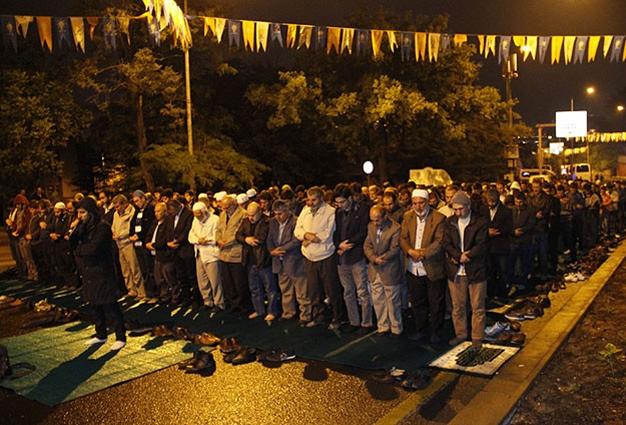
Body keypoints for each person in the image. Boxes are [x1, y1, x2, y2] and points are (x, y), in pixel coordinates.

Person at [70, 197, 126, 351]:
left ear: (90, 212)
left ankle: (120, 336)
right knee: (94, 304)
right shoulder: (83, 227)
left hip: (102, 270)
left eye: (83, 212)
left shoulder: (102, 227)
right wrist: (75, 230)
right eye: (78, 212)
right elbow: (73, 243)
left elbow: (93, 248)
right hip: (88, 271)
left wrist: (80, 250)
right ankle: (100, 334)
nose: (80, 216)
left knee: (110, 304)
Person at [294, 186, 345, 329]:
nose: (310, 202)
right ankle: (318, 317)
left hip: (326, 255)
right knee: (314, 290)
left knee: (332, 289)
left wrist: (308, 237)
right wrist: (305, 235)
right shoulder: (305, 210)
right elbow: (297, 230)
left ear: (321, 198)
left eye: (313, 199)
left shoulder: (330, 211)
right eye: (308, 199)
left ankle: (337, 317)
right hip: (309, 256)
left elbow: (326, 234)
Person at [400, 189, 447, 343]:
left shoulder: (439, 218)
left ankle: (436, 332)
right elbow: (403, 238)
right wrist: (410, 251)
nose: (418, 206)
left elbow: (439, 242)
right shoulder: (408, 217)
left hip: (432, 267)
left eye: (421, 203)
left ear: (427, 202)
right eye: (415, 203)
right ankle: (421, 330)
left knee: (436, 303)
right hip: (412, 268)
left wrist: (422, 254)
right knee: (417, 302)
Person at [443, 191, 488, 349]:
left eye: (460, 209)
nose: (458, 212)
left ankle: (477, 337)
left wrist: (468, 255)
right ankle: (461, 334)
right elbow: (446, 243)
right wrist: (457, 255)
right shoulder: (449, 223)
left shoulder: (480, 222)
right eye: (455, 209)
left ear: (468, 207)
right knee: (458, 306)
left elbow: (482, 244)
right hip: (456, 270)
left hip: (475, 269)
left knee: (477, 306)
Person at [333, 183, 373, 334]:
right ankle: (353, 321)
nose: (340, 205)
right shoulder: (338, 213)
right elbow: (335, 233)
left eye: (342, 202)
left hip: (356, 256)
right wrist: (339, 245)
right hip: (342, 257)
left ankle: (366, 322)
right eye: (337, 203)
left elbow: (364, 231)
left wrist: (349, 243)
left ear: (350, 198)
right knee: (348, 291)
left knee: (362, 291)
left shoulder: (362, 210)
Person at [267, 200, 309, 322]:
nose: (277, 217)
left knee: (302, 291)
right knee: (285, 290)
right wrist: (272, 251)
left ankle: (305, 315)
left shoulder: (296, 221)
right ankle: (288, 313)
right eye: (275, 214)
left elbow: (296, 240)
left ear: (287, 211)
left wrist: (282, 249)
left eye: (280, 214)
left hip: (295, 261)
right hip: (279, 261)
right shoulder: (273, 223)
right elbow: (269, 238)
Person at [364, 205, 403, 336]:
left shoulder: (395, 228)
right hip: (375, 268)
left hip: (389, 268)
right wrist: (374, 258)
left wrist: (383, 258)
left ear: (385, 216)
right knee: (378, 300)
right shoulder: (370, 226)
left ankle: (396, 327)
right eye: (372, 220)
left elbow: (395, 248)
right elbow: (367, 245)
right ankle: (383, 326)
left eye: (377, 220)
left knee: (393, 302)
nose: (375, 223)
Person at [236, 202, 279, 321]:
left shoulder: (267, 222)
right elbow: (238, 235)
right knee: (254, 288)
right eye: (249, 215)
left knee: (270, 288)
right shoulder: (245, 221)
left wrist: (248, 239)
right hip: (250, 261)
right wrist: (246, 239)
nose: (250, 218)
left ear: (260, 212)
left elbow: (260, 239)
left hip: (264, 260)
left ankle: (272, 311)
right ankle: (259, 310)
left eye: (253, 215)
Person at [216, 195, 250, 313]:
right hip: (223, 253)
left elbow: (239, 232)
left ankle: (241, 305)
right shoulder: (222, 215)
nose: (225, 210)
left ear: (234, 205)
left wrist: (226, 243)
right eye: (223, 208)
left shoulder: (243, 214)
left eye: (227, 207)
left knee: (239, 281)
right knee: (227, 281)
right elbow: (218, 230)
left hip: (236, 252)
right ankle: (232, 304)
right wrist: (219, 240)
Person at [188, 201, 224, 312]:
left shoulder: (215, 219)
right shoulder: (195, 220)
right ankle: (207, 301)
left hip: (211, 253)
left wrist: (206, 240)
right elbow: (191, 235)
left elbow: (218, 236)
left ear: (204, 211)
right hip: (199, 253)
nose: (198, 217)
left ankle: (219, 303)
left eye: (199, 214)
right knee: (202, 280)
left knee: (215, 281)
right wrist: (198, 240)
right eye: (196, 215)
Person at [111, 194, 145, 298]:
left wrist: (120, 234)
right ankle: (131, 289)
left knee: (134, 268)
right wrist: (114, 233)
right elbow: (113, 226)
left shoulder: (132, 212)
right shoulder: (116, 214)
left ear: (124, 204)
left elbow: (131, 227)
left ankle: (141, 291)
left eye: (117, 206)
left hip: (128, 243)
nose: (116, 209)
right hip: (119, 244)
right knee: (125, 269)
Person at [481, 189, 512, 298]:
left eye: (493, 202)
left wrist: (498, 232)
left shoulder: (506, 211)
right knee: (490, 271)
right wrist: (487, 232)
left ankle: (503, 293)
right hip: (488, 246)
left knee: (502, 271)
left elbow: (509, 227)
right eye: (489, 201)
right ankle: (491, 293)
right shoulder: (483, 210)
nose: (491, 204)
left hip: (501, 246)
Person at [166, 198, 197, 308]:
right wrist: (169, 242)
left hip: (186, 249)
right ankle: (186, 298)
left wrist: (178, 241)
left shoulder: (188, 214)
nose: (170, 213)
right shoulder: (171, 216)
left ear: (177, 206)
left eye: (171, 211)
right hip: (176, 251)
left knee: (191, 276)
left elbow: (188, 230)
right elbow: (169, 229)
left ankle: (196, 299)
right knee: (181, 276)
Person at [145, 202, 177, 304]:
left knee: (169, 277)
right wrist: (147, 243)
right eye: (155, 211)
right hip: (156, 255)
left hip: (165, 254)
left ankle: (175, 297)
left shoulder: (168, 222)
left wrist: (154, 245)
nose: (156, 213)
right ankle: (164, 296)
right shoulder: (155, 222)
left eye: (158, 211)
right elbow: (149, 234)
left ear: (164, 211)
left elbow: (166, 239)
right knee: (159, 278)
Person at [130, 190, 156, 300]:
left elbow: (149, 225)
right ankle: (147, 293)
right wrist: (132, 235)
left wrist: (139, 235)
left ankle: (154, 293)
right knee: (143, 269)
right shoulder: (137, 211)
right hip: (137, 243)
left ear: (143, 198)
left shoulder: (150, 210)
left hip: (145, 242)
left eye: (138, 200)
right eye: (134, 201)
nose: (136, 203)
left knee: (150, 269)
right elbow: (132, 223)